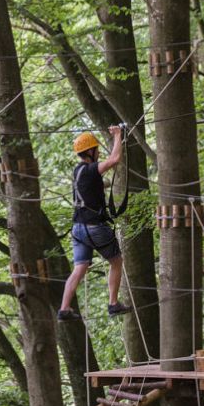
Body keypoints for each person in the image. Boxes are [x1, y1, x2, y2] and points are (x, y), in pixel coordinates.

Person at [58, 126, 130, 321]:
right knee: (116, 261)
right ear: (90, 152)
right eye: (96, 149)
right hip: (93, 228)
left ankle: (64, 308)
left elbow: (96, 183)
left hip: (78, 229)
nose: (99, 152)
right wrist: (117, 136)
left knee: (79, 268)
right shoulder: (90, 170)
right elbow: (114, 160)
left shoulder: (78, 170)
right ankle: (113, 303)